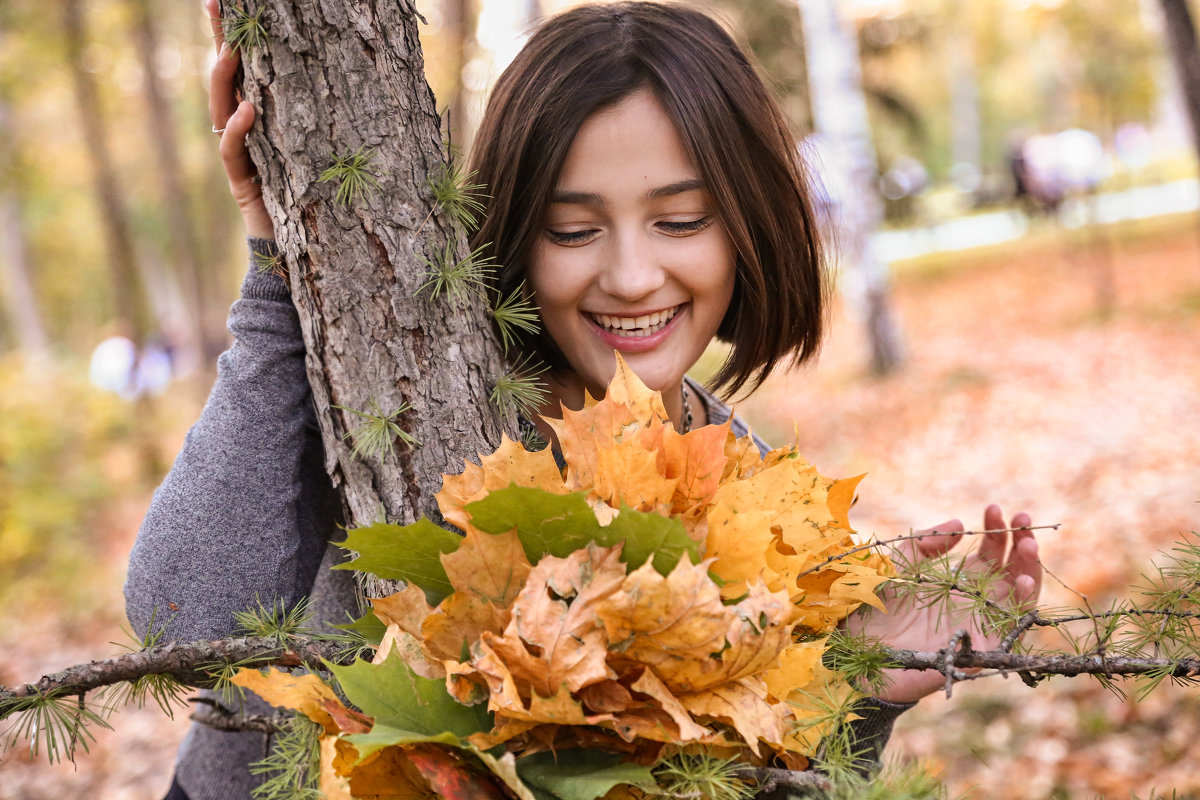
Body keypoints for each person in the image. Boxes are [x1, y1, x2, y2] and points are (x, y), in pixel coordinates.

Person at [125, 3, 1042, 799]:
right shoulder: (389, 397)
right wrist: (290, 268)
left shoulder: (752, 499)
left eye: (681, 221)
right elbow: (181, 618)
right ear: (518, 232)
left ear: (748, 226)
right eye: (573, 229)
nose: (634, 277)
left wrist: (864, 689)